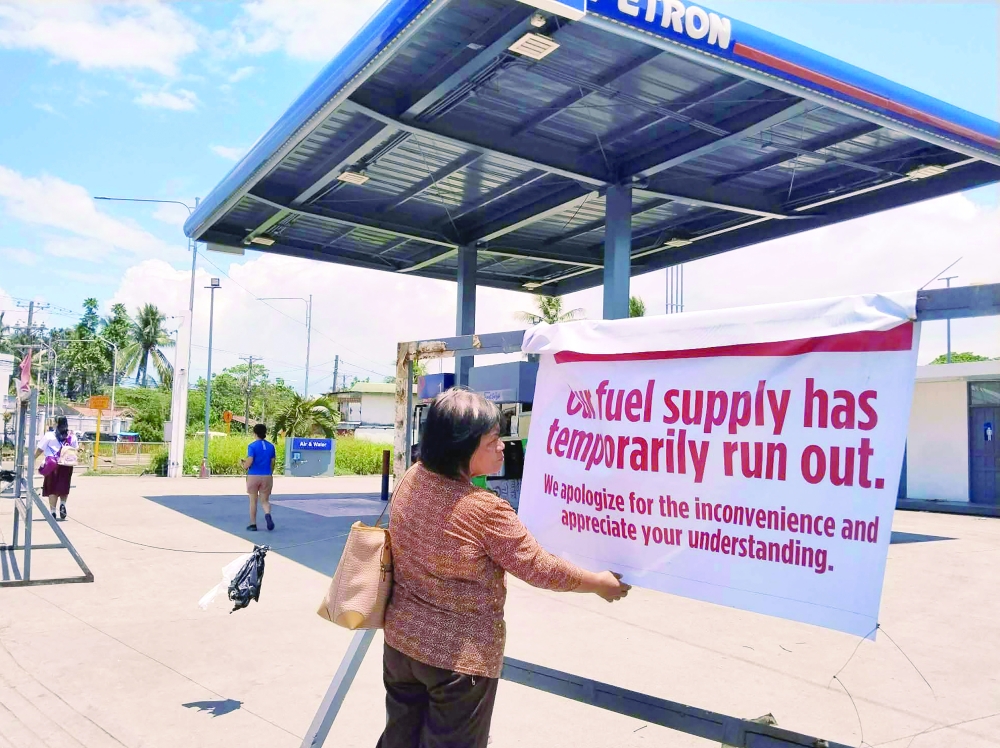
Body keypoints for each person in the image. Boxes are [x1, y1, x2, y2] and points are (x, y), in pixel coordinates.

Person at [379, 388, 630, 748]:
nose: (502, 447)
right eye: (493, 440)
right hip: (456, 662)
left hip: (401, 646)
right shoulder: (483, 510)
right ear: (462, 446)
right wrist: (599, 582)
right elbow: (541, 568)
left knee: (398, 741)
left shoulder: (412, 478)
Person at [36, 416, 77, 520]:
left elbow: (40, 449)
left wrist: (33, 458)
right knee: (64, 486)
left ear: (56, 423)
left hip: (52, 465)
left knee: (52, 488)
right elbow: (75, 449)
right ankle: (63, 504)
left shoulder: (49, 435)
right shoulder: (72, 435)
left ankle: (53, 511)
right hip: (67, 465)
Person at [241, 423, 276, 532]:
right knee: (265, 500)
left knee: (253, 501)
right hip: (267, 475)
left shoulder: (252, 446)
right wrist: (269, 472)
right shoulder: (271, 446)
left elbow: (249, 462)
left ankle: (253, 524)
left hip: (253, 475)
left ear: (255, 433)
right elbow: (273, 462)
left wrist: (243, 464)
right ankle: (267, 514)